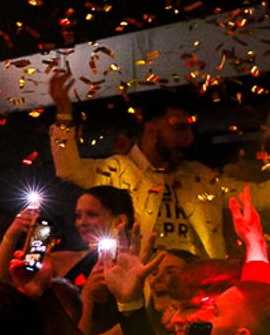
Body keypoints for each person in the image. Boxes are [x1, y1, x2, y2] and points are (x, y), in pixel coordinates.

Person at [49, 72, 269, 259]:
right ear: (151, 129)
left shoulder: (199, 176)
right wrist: (64, 115)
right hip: (143, 286)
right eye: (179, 129)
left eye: (190, 130)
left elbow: (256, 195)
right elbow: (68, 169)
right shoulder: (118, 171)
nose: (189, 138)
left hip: (198, 284)